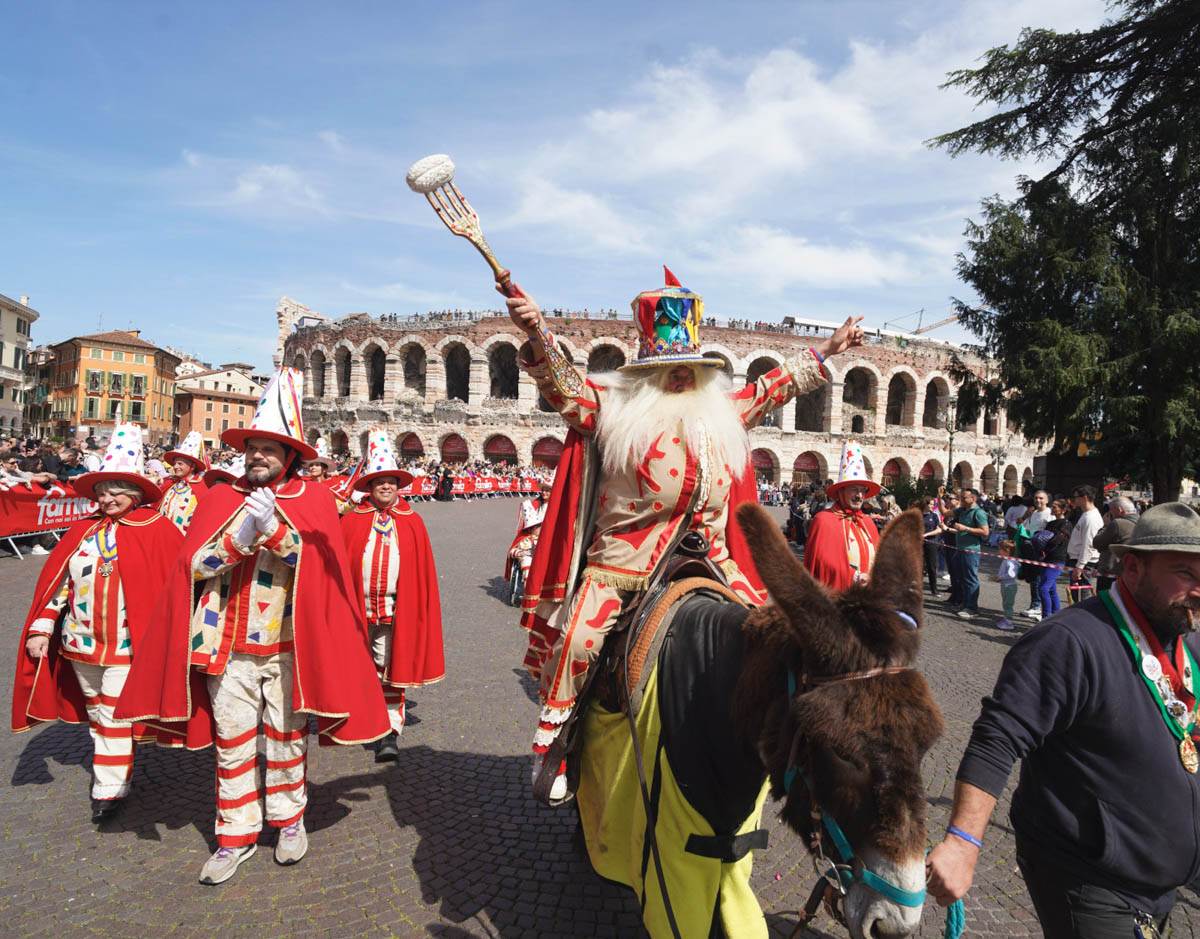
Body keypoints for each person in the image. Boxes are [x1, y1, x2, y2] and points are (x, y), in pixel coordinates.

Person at [505, 267, 864, 801]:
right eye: (667, 370)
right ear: (647, 373)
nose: (680, 379)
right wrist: (537, 332)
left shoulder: (721, 414)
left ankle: (794, 742)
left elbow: (772, 387)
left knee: (780, 635)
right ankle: (554, 742)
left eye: (689, 370)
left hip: (714, 557)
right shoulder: (613, 409)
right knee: (579, 638)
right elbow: (564, 387)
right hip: (625, 559)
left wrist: (829, 349)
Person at [115, 368, 390, 885]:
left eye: (269, 449)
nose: (258, 456)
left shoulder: (313, 500)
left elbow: (324, 573)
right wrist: (240, 538)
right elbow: (192, 567)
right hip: (225, 646)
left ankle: (288, 820)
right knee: (233, 741)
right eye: (253, 448)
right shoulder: (220, 498)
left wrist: (277, 535)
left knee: (286, 739)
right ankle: (235, 834)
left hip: (289, 647)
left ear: (290, 455)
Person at [927, 503, 1200, 934]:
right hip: (1093, 883)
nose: (1199, 589)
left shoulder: (1188, 639)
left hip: (1162, 879)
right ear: (1133, 568)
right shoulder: (1068, 641)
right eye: (1185, 573)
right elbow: (998, 737)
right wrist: (963, 842)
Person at [11, 425, 182, 822]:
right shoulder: (83, 531)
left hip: (126, 645)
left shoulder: (157, 529)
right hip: (81, 643)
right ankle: (117, 765)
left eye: (115, 491)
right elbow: (59, 586)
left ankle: (110, 788)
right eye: (102, 492)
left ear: (134, 493)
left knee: (113, 714)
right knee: (97, 712)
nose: (106, 499)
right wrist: (41, 627)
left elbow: (177, 583)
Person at [340, 429, 444, 763]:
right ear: (369, 487)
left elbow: (421, 573)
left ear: (398, 486)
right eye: (379, 482)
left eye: (390, 482)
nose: (385, 487)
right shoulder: (352, 520)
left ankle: (388, 730)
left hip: (393, 608)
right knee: (357, 666)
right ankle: (361, 719)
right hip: (356, 609)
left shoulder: (413, 522)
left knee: (388, 667)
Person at [803, 441, 881, 591]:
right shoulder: (824, 521)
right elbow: (822, 563)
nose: (859, 496)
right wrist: (854, 577)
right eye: (854, 489)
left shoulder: (868, 523)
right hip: (839, 598)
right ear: (840, 492)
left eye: (863, 490)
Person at [158, 430, 209, 533]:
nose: (175, 466)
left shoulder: (201, 487)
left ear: (192, 466)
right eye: (175, 463)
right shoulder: (170, 483)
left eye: (180, 464)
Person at [951, 488, 990, 620]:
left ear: (973, 498)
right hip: (960, 549)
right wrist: (939, 498)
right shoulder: (962, 510)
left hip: (971, 550)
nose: (961, 500)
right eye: (960, 497)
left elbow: (985, 532)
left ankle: (972, 608)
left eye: (963, 498)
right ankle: (964, 604)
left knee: (971, 579)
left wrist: (965, 528)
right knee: (962, 578)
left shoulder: (979, 513)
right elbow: (945, 512)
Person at [1066, 484, 1104, 603]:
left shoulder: (1091, 518)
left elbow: (1088, 544)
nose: (1074, 499)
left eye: (1076, 497)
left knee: (1083, 599)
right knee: (1077, 597)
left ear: (1085, 497)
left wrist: (1080, 566)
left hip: (1084, 563)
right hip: (1078, 560)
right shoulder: (1086, 514)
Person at [1018, 490, 1053, 619]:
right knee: (1033, 578)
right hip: (1030, 548)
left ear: (1047, 500)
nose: (1038, 500)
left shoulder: (1050, 514)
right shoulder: (1034, 513)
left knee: (1039, 580)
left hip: (1042, 551)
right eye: (1036, 498)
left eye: (1041, 498)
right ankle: (1035, 605)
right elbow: (1025, 527)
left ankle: (1038, 606)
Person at [1093, 495, 1137, 593]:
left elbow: (1097, 543)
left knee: (1105, 600)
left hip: (1110, 572)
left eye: (1111, 511)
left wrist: (1105, 525)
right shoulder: (1141, 522)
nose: (1110, 514)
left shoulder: (1118, 523)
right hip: (1129, 572)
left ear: (1119, 510)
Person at [920, 496, 945, 598]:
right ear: (925, 504)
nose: (932, 506)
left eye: (933, 504)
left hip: (931, 543)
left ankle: (934, 590)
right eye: (930, 504)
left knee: (932, 567)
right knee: (918, 566)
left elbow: (939, 530)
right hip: (919, 544)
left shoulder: (934, 515)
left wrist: (926, 535)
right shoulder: (918, 515)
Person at [994, 540, 1019, 631]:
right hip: (1006, 585)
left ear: (1006, 551)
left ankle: (1009, 622)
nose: (999, 551)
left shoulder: (1010, 562)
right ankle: (1006, 618)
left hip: (1009, 586)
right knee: (1006, 603)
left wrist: (1000, 577)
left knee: (1008, 604)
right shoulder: (1007, 560)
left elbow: (1011, 575)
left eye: (1000, 549)